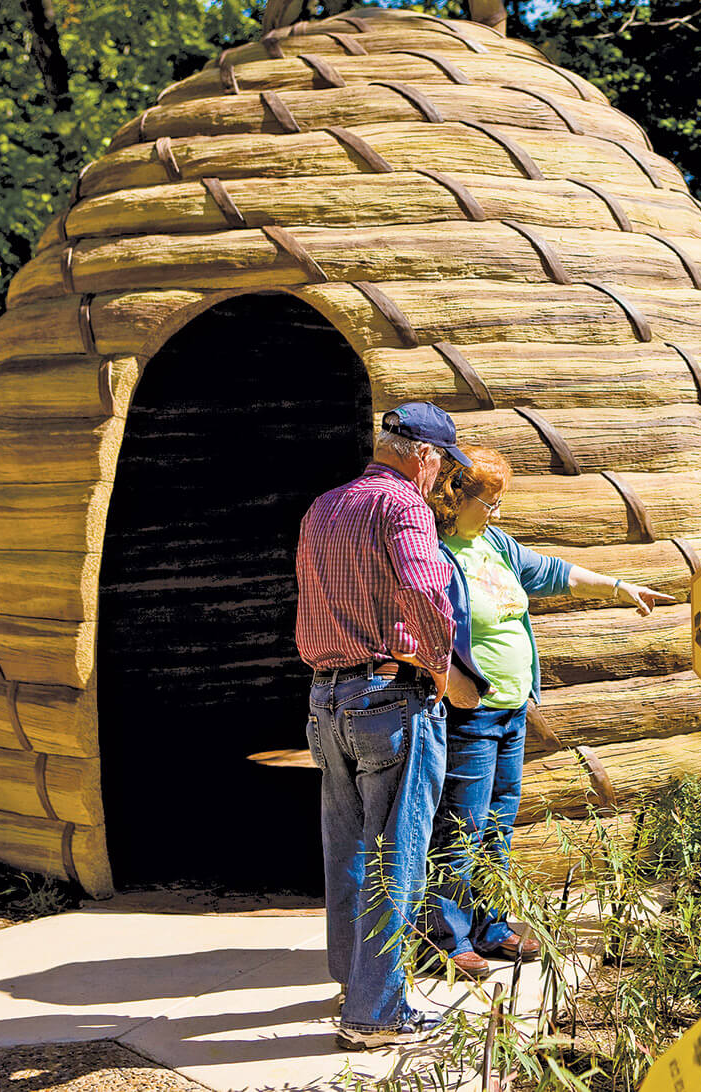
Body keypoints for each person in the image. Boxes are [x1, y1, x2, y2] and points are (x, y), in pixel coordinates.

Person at [423, 445, 674, 978]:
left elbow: (554, 571)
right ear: (456, 493)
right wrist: (451, 678)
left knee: (499, 823)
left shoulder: (495, 543)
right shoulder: (436, 553)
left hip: (513, 709)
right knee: (462, 825)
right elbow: (419, 624)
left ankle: (490, 926)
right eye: (490, 501)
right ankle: (446, 938)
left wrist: (620, 587)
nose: (497, 510)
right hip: (472, 713)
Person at [294, 401, 470, 1051]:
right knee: (395, 856)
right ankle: (376, 1015)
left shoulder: (324, 507)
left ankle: (355, 985)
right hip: (390, 699)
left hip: (326, 700)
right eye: (443, 468)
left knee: (347, 854)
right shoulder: (403, 507)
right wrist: (440, 666)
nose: (442, 482)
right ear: (422, 455)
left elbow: (309, 595)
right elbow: (428, 594)